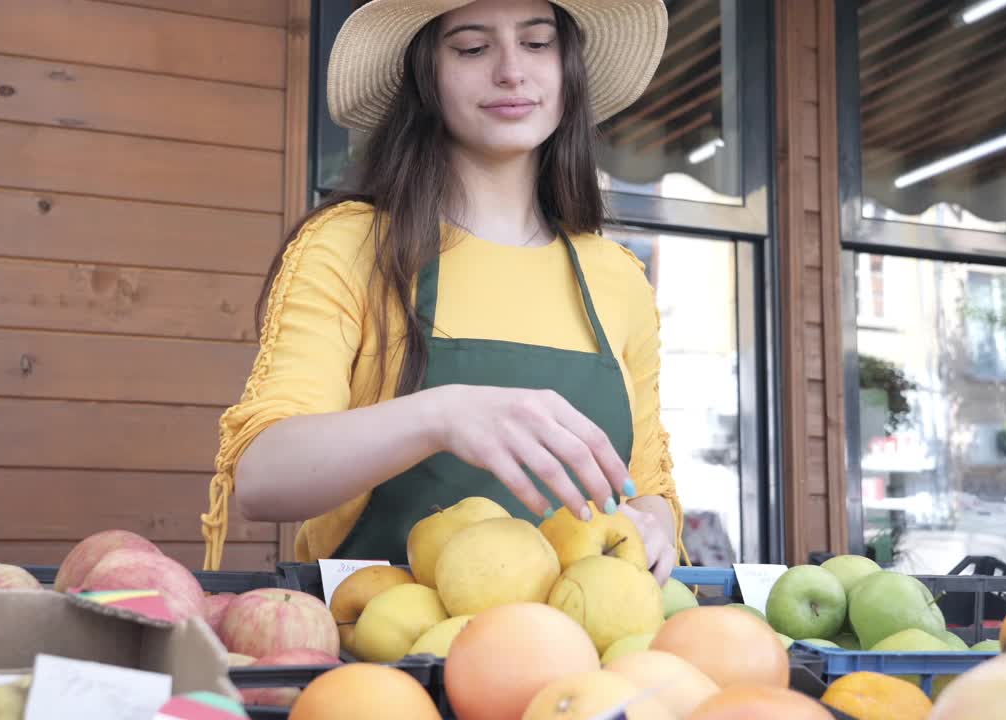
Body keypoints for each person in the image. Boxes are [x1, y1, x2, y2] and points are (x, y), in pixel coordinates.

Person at [200, 0, 687, 584]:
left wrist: (654, 524)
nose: (511, 70)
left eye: (537, 44)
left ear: (569, 70)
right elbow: (263, 477)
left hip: (581, 657)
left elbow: (648, 488)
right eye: (472, 48)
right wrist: (440, 416)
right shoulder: (351, 245)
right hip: (380, 658)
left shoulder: (619, 277)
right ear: (425, 75)